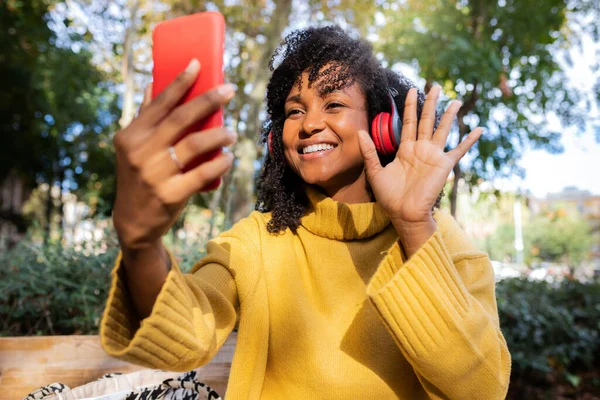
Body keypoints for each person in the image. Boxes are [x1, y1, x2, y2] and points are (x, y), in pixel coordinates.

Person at [101, 26, 511, 399]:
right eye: (295, 111)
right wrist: (140, 245)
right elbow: (185, 335)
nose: (310, 123)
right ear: (277, 141)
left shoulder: (440, 237)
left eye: (333, 104)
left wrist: (412, 226)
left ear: (384, 125)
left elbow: (482, 389)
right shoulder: (255, 241)